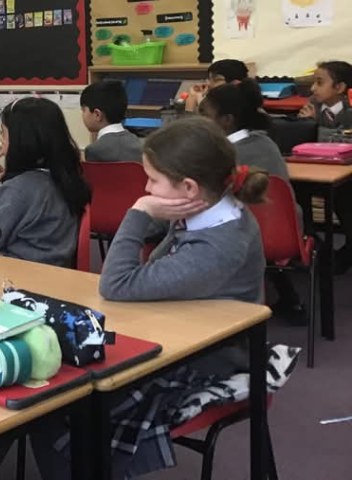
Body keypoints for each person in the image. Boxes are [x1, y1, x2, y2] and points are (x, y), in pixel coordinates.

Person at [34, 118, 267, 480]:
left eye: (153, 180)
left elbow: (116, 284)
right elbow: (144, 272)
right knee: (55, 380)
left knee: (57, 399)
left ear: (189, 187)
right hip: (178, 331)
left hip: (206, 362)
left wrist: (140, 211)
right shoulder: (203, 210)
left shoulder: (218, 246)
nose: (146, 188)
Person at [201, 79, 307, 324]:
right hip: (283, 236)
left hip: (237, 240)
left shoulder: (218, 154)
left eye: (205, 115)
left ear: (226, 120)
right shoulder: (266, 143)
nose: (200, 121)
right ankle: (287, 297)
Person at [0, 97, 91, 267]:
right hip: (54, 270)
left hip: (20, 275)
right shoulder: (65, 177)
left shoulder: (22, 191)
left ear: (21, 142)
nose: (1, 142)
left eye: (3, 134)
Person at [298, 60, 352, 272]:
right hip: (316, 170)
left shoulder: (348, 112)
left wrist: (316, 124)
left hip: (344, 173)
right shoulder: (312, 109)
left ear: (339, 87)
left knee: (345, 201)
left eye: (319, 83)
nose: (313, 88)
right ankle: (313, 242)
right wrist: (305, 124)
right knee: (299, 194)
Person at [80, 80, 143, 163]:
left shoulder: (94, 150)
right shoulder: (139, 145)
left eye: (84, 110)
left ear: (97, 114)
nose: (82, 115)